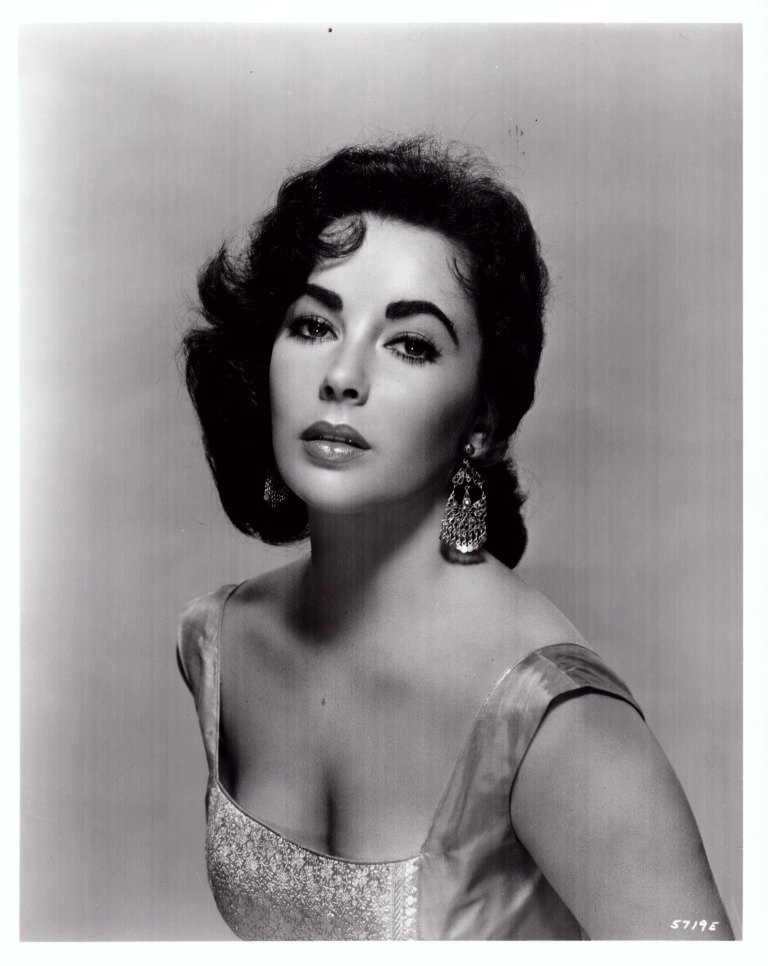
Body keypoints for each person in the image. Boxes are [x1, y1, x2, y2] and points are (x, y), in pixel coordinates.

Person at [177, 137, 733, 940]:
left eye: (411, 344)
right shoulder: (218, 644)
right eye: (313, 325)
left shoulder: (552, 722)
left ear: (482, 421)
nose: (343, 376)